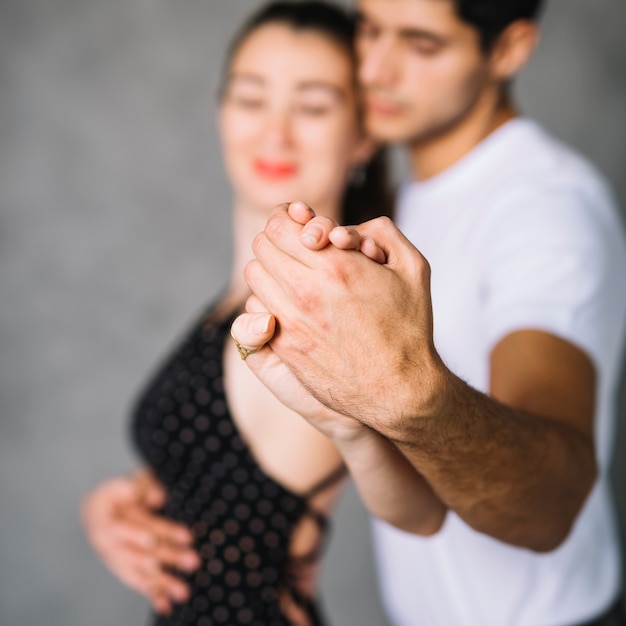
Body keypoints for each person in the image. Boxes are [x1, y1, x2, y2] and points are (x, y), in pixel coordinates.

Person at [230, 0, 626, 625]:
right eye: (369, 28)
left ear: (508, 49)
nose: (376, 69)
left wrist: (407, 389)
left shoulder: (546, 209)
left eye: (422, 44)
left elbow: (550, 505)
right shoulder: (398, 196)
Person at [81, 3, 446, 626]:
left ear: (361, 135)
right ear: (222, 112)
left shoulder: (335, 294)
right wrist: (115, 505)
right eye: (251, 99)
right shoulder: (239, 297)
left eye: (312, 107)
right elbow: (224, 467)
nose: (275, 132)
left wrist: (356, 432)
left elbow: (421, 508)